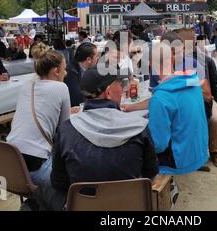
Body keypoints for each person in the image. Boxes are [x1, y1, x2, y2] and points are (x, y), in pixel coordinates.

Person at [36, 66, 158, 211]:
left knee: (40, 191)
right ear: (108, 92)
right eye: (121, 84)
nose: (124, 89)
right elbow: (150, 173)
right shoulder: (139, 127)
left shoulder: (66, 130)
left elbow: (58, 182)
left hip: (83, 206)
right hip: (129, 205)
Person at [7, 44, 72, 187]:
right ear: (56, 71)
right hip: (35, 165)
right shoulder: (61, 87)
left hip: (10, 162)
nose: (66, 73)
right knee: (71, 180)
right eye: (64, 69)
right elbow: (65, 129)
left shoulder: (27, 85)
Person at [148, 41, 209, 175]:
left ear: (151, 65)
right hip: (199, 150)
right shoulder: (192, 81)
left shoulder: (160, 98)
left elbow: (158, 145)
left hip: (179, 159)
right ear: (172, 59)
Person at [196, 34, 217, 167]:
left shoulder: (208, 62)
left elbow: (216, 86)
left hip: (209, 100)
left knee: (214, 120)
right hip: (191, 102)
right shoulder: (180, 65)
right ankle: (194, 153)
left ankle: (214, 152)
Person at [64, 42, 99, 107]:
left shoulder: (86, 68)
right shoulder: (71, 72)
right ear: (88, 60)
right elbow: (77, 99)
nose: (98, 58)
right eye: (96, 56)